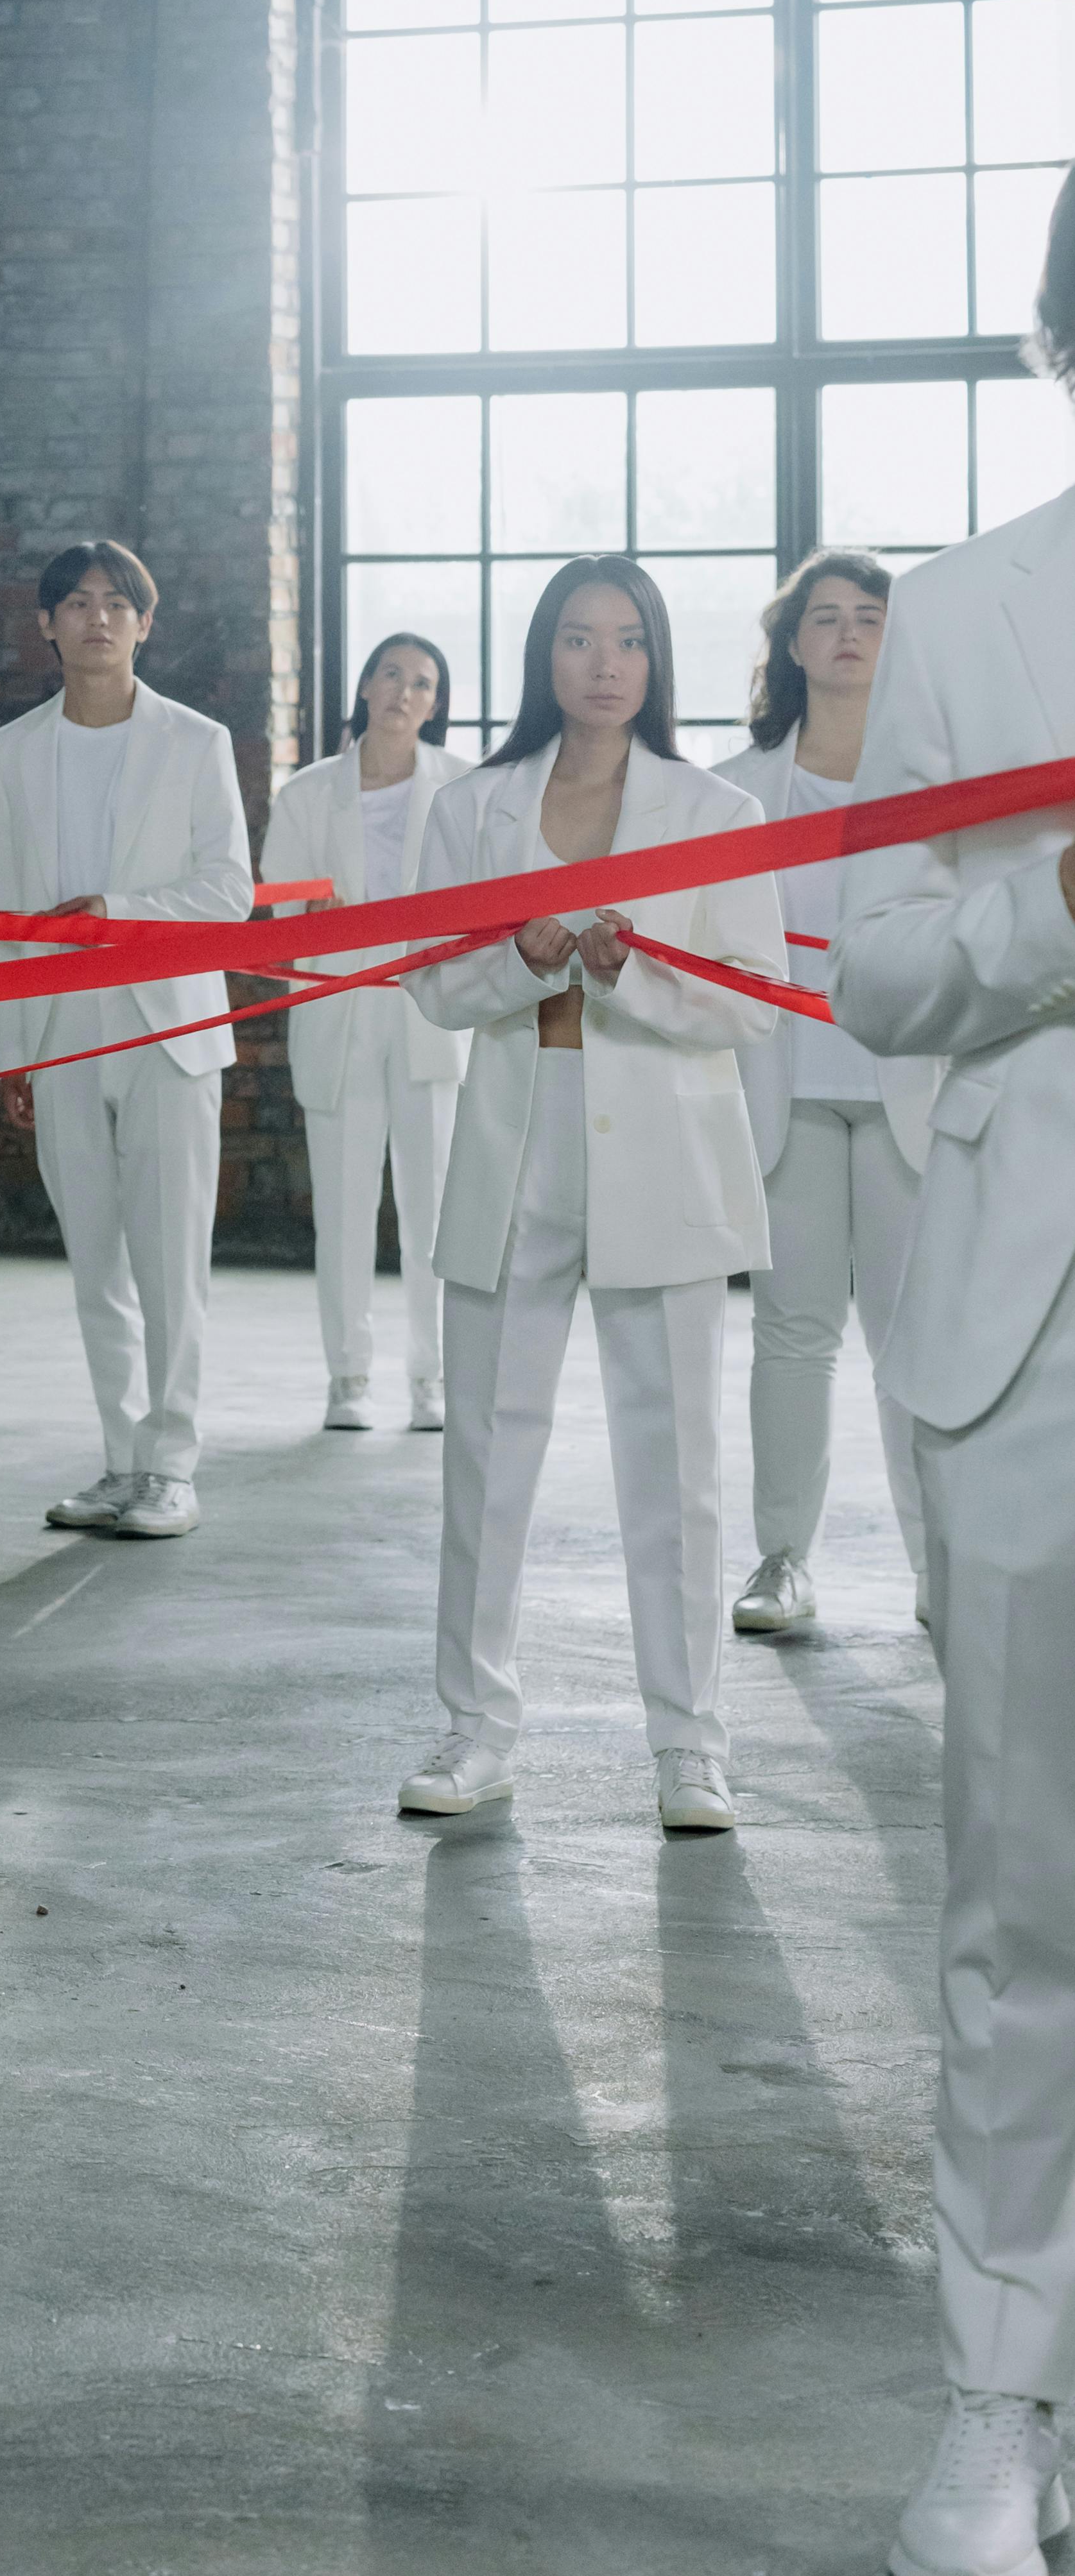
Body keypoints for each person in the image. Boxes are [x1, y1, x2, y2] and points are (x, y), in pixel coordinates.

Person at [836, 162, 1075, 2576]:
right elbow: (879, 969)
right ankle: (996, 2395)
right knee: (1025, 1878)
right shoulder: (969, 614)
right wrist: (1051, 911)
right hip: (1031, 1306)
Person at [392, 558, 784, 1838]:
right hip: (515, 1142)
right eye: (575, 638)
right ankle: (471, 1727)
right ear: (540, 657)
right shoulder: (472, 805)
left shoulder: (712, 807)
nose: (601, 662)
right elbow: (430, 984)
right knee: (485, 1456)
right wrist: (517, 957)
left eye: (624, 640)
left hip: (661, 1157)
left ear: (655, 659)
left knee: (673, 1466)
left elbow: (746, 1000)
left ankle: (688, 1745)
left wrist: (624, 970)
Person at [0, 542, 253, 1539]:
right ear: (46, 625)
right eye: (76, 604)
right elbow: (3, 912)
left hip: (168, 1029)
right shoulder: (15, 749)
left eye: (116, 604)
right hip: (59, 1033)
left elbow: (229, 894)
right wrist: (13, 1053)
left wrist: (117, 911)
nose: (97, 619)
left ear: (145, 624)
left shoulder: (194, 742)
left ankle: (173, 1467)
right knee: (94, 1258)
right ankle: (118, 1460)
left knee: (170, 1259)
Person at [719, 552, 938, 1643]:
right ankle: (782, 1559)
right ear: (792, 643)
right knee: (792, 1333)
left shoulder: (944, 779)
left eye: (869, 616)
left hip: (913, 1087)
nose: (847, 633)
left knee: (915, 1339)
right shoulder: (736, 786)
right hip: (787, 1090)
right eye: (825, 617)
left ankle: (941, 1568)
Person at [261, 632, 469, 1435]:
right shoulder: (308, 792)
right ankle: (346, 1375)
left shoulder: (457, 786)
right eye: (390, 675)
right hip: (340, 1010)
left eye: (421, 681)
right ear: (364, 686)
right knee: (342, 1206)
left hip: (426, 1012)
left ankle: (432, 1375)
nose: (403, 692)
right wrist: (312, 918)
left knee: (432, 1206)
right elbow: (278, 910)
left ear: (434, 702)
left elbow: (477, 902)